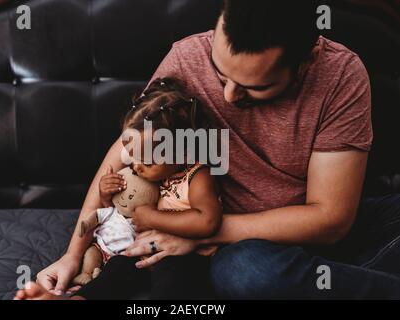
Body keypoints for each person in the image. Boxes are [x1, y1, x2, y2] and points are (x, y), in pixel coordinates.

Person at [34, 0, 400, 299]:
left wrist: (195, 233)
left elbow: (330, 219)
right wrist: (72, 254)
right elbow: (128, 150)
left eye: (254, 87)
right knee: (245, 272)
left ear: (306, 62)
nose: (228, 96)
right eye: (221, 74)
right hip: (243, 252)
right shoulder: (188, 58)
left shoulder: (340, 75)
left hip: (299, 230)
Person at [15, 78, 222, 300]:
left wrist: (152, 217)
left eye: (147, 162)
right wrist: (106, 194)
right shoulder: (154, 175)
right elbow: (118, 212)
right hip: (142, 248)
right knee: (116, 269)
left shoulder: (197, 176)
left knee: (173, 279)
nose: (135, 166)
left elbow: (207, 220)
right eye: (133, 156)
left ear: (183, 153)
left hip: (181, 254)